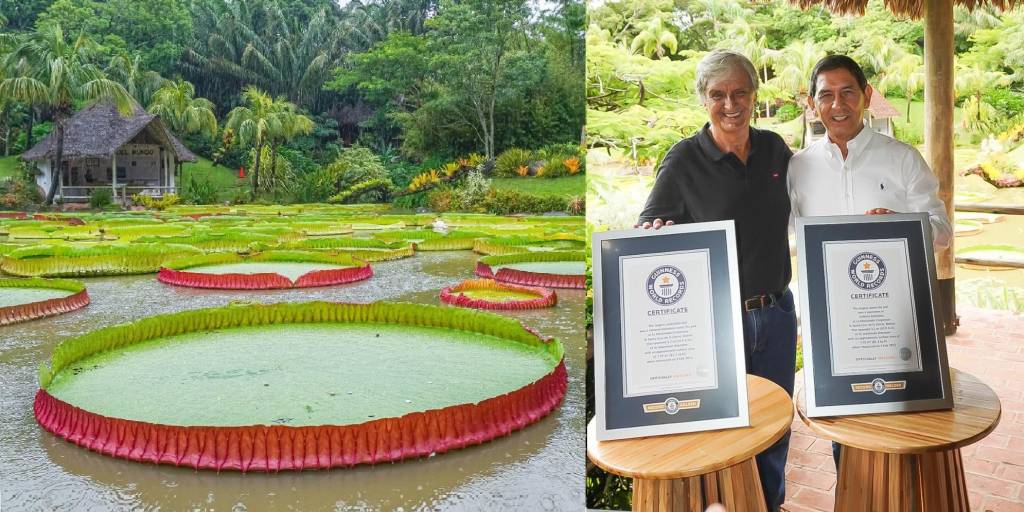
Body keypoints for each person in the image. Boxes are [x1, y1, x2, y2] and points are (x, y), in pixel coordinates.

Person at [637, 49, 796, 511]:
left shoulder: (775, 150)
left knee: (775, 422)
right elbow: (650, 227)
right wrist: (656, 235)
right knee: (724, 425)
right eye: (718, 94)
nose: (730, 104)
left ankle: (770, 503)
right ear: (703, 99)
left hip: (778, 313)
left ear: (753, 95)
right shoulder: (684, 159)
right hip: (715, 322)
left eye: (740, 93)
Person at [787, 54, 953, 468]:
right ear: (812, 103)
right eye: (826, 95)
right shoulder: (797, 168)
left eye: (847, 92)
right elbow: (786, 236)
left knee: (906, 426)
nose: (837, 105)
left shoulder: (902, 158)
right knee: (845, 430)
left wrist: (903, 227)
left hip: (897, 317)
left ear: (867, 95)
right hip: (832, 324)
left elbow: (943, 232)